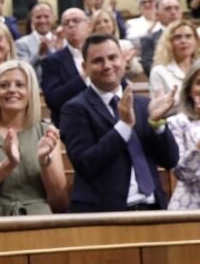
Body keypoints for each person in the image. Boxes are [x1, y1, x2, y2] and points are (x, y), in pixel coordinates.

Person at [60, 34, 179, 212]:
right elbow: (86, 164)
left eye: (112, 57)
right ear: (85, 67)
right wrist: (123, 127)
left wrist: (157, 124)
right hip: (104, 214)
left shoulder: (144, 105)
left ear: (123, 60)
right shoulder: (75, 109)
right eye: (98, 61)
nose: (107, 65)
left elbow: (170, 160)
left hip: (152, 209)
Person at [0, 60, 66, 216]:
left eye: (20, 85)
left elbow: (58, 194)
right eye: (4, 85)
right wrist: (8, 164)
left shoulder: (47, 133)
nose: (12, 90)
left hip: (37, 219)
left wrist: (45, 160)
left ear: (30, 92)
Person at [41, 8, 93, 127]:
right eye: (66, 23)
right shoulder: (52, 61)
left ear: (89, 26)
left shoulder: (102, 54)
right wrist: (83, 77)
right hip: (71, 125)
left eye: (76, 21)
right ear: (63, 31)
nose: (71, 25)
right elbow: (53, 99)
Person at [167, 61, 200, 210]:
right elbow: (183, 173)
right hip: (189, 209)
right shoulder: (177, 123)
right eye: (199, 83)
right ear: (189, 90)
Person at [150, 21, 199, 97]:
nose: (183, 41)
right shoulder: (159, 71)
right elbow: (158, 102)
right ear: (169, 42)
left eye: (188, 36)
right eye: (178, 37)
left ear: (196, 41)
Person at [14, 2, 58, 79]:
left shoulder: (62, 41)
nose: (42, 21)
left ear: (53, 18)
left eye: (46, 16)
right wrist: (39, 54)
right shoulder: (21, 43)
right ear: (32, 19)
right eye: (38, 17)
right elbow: (23, 70)